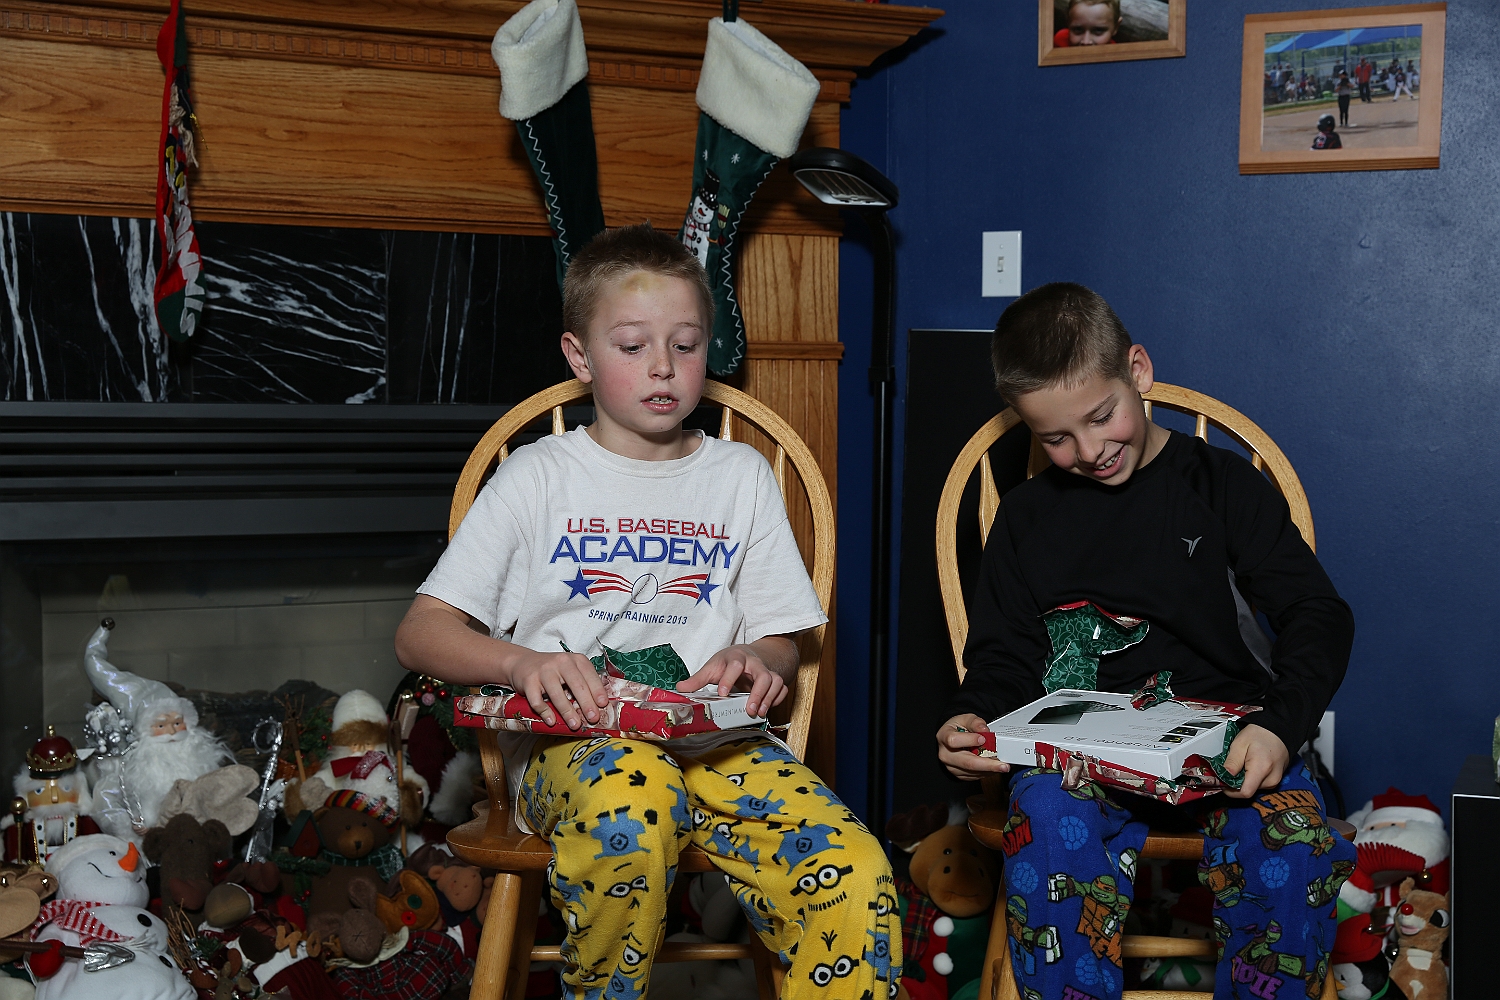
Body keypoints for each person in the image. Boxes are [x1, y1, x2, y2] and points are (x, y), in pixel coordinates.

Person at [393, 224, 900, 1000]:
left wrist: (760, 660)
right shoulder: (538, 476)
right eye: (632, 346)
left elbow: (781, 641)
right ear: (579, 356)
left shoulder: (741, 476)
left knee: (854, 869)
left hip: (716, 746)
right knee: (636, 804)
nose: (663, 365)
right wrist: (521, 662)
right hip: (576, 752)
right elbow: (420, 633)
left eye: (686, 345)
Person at [934, 283, 1356, 999]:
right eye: (1055, 438)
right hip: (1081, 764)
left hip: (1230, 747)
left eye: (1102, 416)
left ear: (1138, 370)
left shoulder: (1221, 487)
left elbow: (1319, 615)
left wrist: (1280, 728)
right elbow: (1003, 657)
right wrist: (972, 719)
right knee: (1045, 816)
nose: (1089, 450)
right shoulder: (1025, 519)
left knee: (1292, 845)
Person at [1054, 0, 1119, 47]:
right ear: (1068, 23)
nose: (1086, 42)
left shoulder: (1116, 53)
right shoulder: (1060, 41)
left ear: (1116, 27)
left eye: (1098, 30)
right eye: (1078, 29)